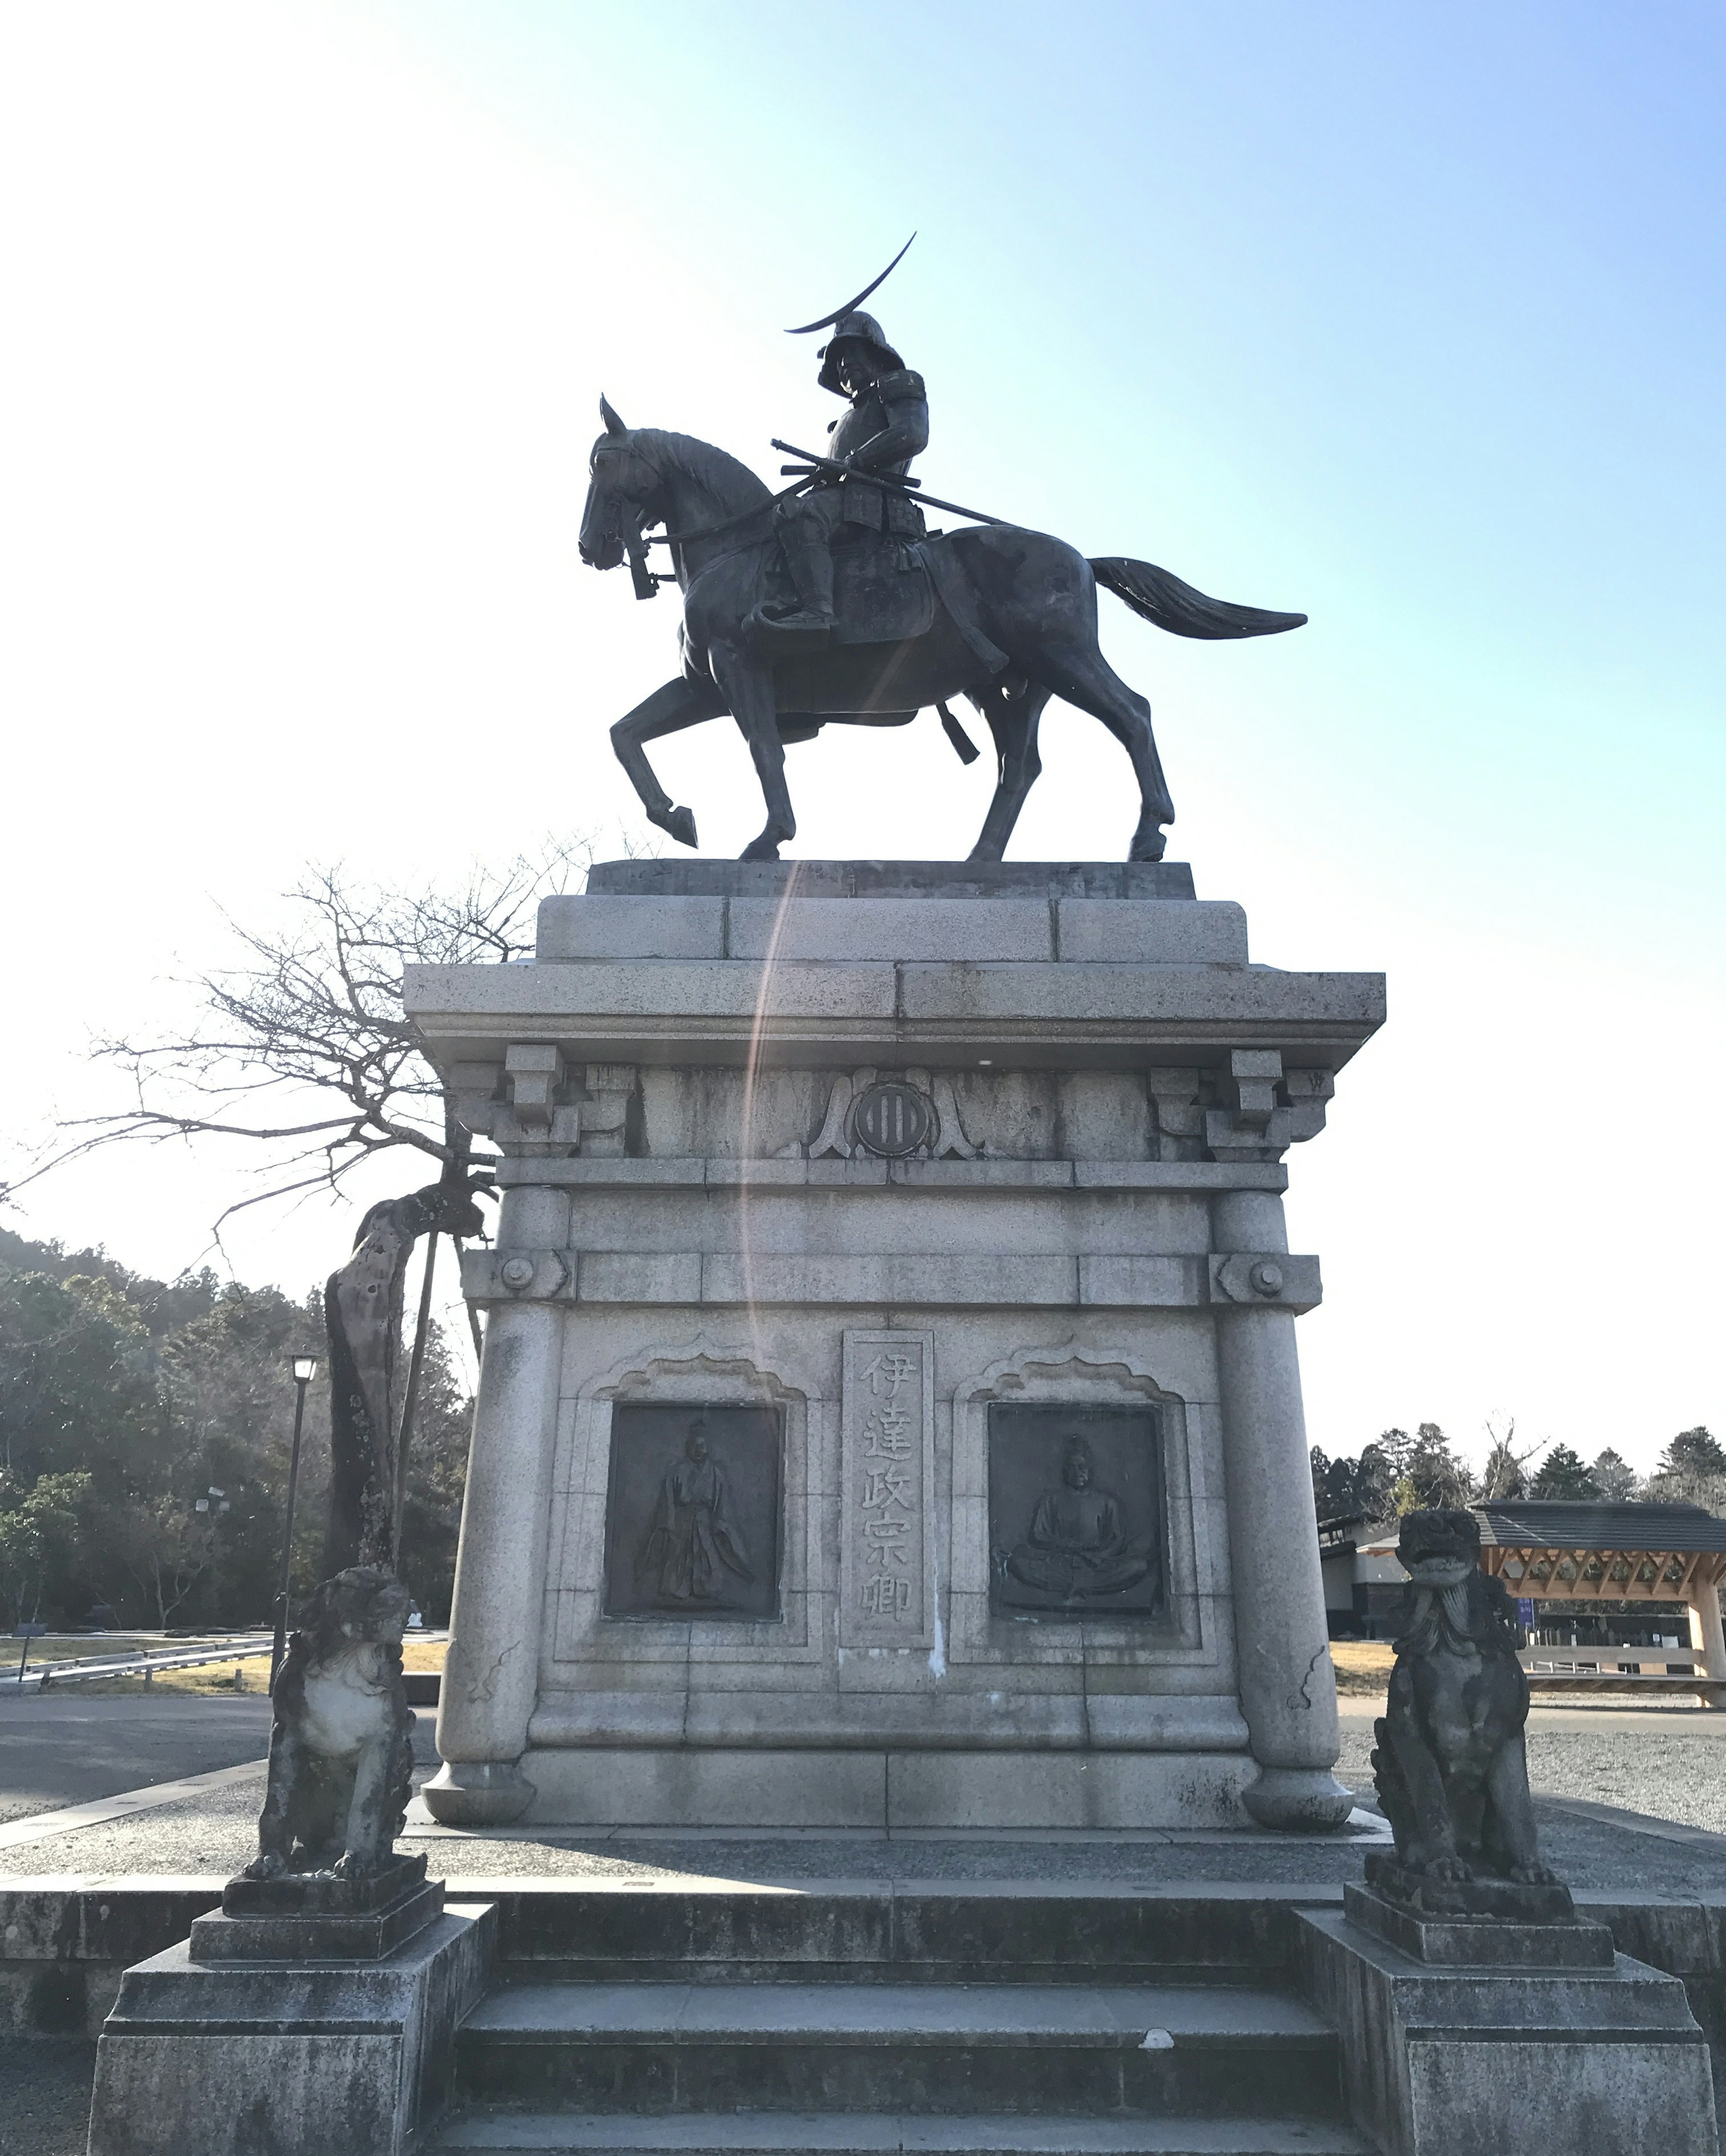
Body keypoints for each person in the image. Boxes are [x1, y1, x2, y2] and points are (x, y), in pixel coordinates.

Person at [754, 310, 930, 638]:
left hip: (876, 504)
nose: (843, 363)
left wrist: (855, 461)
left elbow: (912, 433)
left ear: (875, 354)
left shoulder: (897, 385)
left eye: (851, 352)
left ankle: (818, 610)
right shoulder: (848, 417)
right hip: (845, 499)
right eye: (837, 359)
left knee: (799, 515)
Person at [1001, 1436, 1156, 1602]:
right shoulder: (1051, 1500)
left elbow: (1117, 1540)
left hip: (1096, 1567)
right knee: (1018, 1563)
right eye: (1072, 1468)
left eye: (1082, 1467)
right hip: (1060, 1565)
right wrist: (1067, 1547)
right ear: (1065, 1471)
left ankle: (1082, 1586)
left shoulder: (1107, 1503)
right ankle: (1077, 1586)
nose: (1077, 1473)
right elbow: (1039, 1536)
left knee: (1138, 1567)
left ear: (1090, 1469)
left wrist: (1100, 1557)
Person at [634, 1418, 755, 1605]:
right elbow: (668, 1502)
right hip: (681, 1522)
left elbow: (722, 1504)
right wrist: (670, 1524)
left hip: (705, 1522)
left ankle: (709, 1589)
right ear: (687, 1447)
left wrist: (719, 1524)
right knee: (678, 1556)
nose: (699, 1451)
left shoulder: (716, 1474)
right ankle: (675, 1591)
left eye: (703, 1447)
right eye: (695, 1446)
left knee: (707, 1554)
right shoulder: (676, 1472)